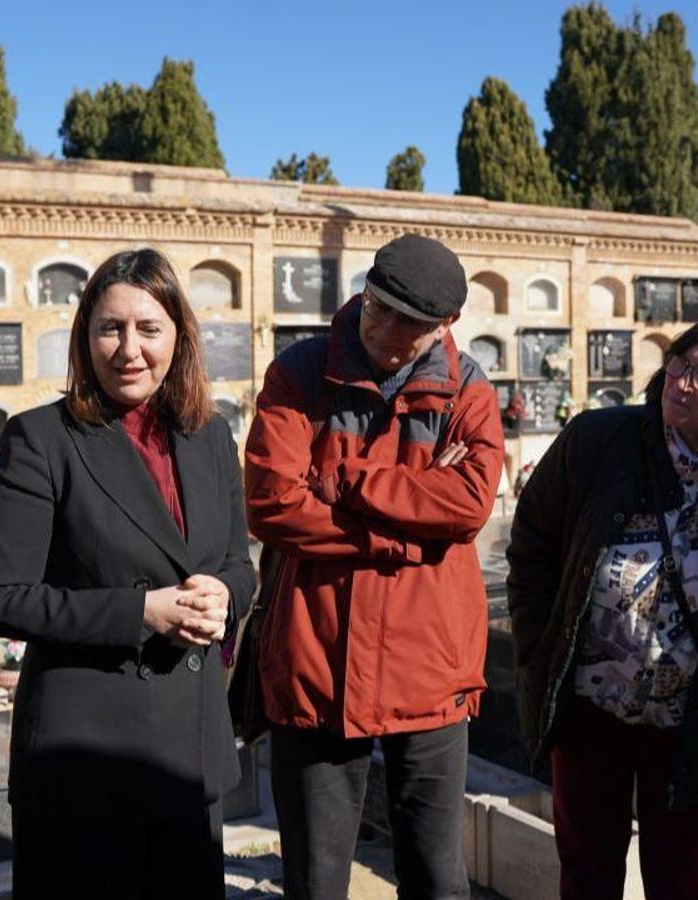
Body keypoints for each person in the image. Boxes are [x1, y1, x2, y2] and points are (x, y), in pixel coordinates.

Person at [0, 248, 253, 899]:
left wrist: (226, 594)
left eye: (149, 329)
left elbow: (238, 561)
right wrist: (140, 613)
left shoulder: (209, 435)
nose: (129, 349)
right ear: (85, 337)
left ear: (178, 336)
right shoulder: (42, 439)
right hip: (86, 763)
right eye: (110, 328)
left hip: (190, 755)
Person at [505, 312, 698, 900]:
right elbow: (533, 545)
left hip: (696, 717)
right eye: (677, 364)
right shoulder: (600, 440)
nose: (680, 382)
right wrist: (539, 643)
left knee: (680, 874)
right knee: (586, 865)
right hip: (590, 703)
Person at [244, 233, 505, 900]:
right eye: (375, 310)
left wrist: (344, 482)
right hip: (316, 666)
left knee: (436, 874)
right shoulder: (300, 374)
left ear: (444, 326)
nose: (385, 333)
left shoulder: (467, 392)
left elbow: (468, 506)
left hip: (431, 670)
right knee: (315, 879)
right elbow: (273, 504)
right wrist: (404, 537)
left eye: (408, 326)